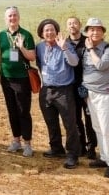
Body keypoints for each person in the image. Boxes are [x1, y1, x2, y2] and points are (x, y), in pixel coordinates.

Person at [34, 18, 81, 169]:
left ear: (57, 32)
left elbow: (74, 63)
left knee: (70, 124)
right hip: (46, 89)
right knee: (51, 123)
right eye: (46, 30)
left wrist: (64, 48)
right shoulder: (39, 47)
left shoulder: (64, 44)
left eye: (52, 30)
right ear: (42, 33)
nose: (49, 32)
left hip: (64, 91)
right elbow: (39, 64)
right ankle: (56, 148)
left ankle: (73, 154)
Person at [81, 17, 109, 178]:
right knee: (97, 127)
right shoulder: (84, 49)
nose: (95, 32)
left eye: (98, 29)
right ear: (87, 32)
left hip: (106, 94)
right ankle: (104, 157)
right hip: (90, 94)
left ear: (103, 33)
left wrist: (91, 49)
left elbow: (101, 65)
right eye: (91, 29)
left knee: (107, 129)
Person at [0, 6, 35, 157]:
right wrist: (0, 74)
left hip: (22, 79)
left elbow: (32, 57)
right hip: (6, 79)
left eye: (14, 15)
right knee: (12, 110)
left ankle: (28, 144)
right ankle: (16, 141)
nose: (12, 18)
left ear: (19, 17)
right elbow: (1, 55)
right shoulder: (1, 34)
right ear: (5, 18)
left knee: (23, 111)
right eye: (9, 16)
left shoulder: (26, 35)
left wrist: (21, 48)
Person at [66, 16, 97, 159]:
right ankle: (80, 145)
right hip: (70, 85)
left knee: (89, 117)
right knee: (76, 117)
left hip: (86, 85)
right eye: (70, 24)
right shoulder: (64, 42)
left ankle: (92, 147)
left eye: (75, 23)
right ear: (67, 27)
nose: (72, 25)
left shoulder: (88, 41)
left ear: (80, 25)